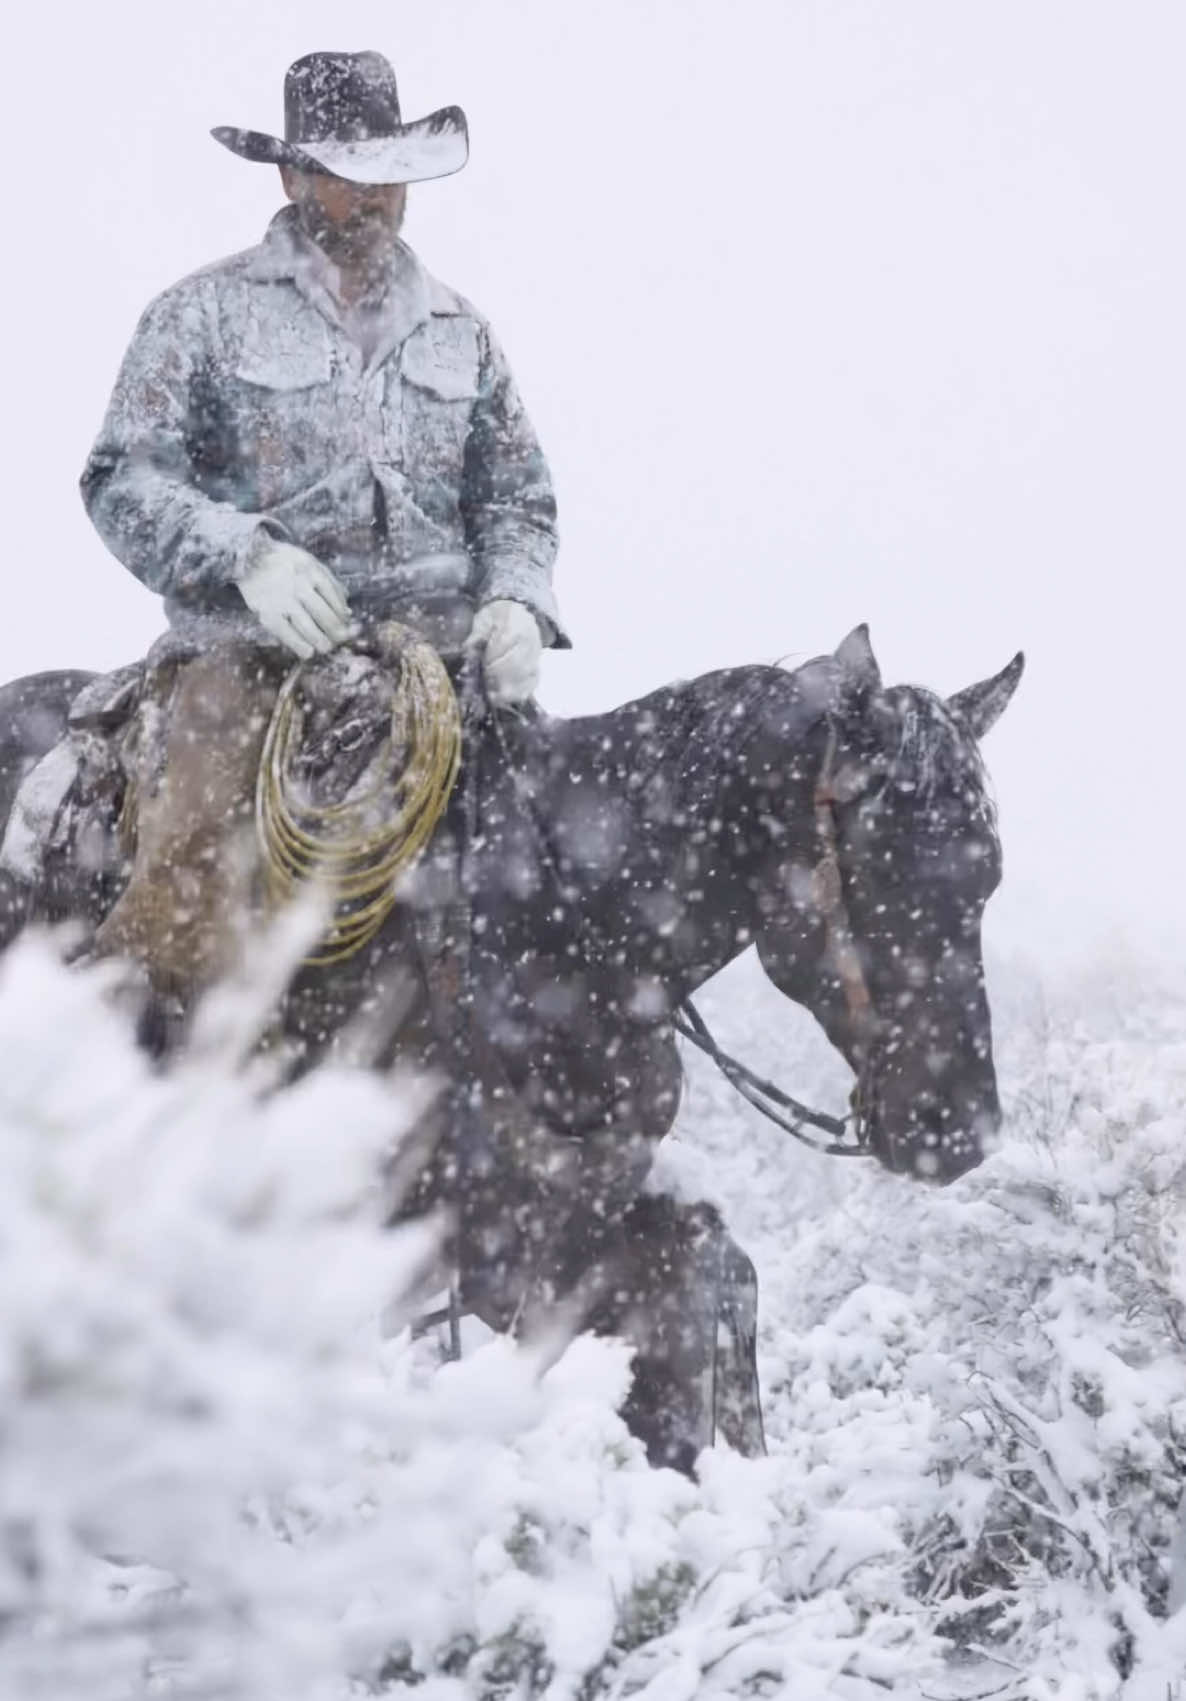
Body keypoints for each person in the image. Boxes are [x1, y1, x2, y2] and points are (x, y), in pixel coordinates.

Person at [81, 48, 567, 699]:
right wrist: (247, 555)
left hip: (443, 671)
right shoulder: (198, 315)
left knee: (549, 791)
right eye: (347, 173)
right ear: (291, 177)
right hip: (245, 665)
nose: (373, 195)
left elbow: (517, 503)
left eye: (388, 172)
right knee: (198, 792)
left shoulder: (463, 334)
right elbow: (122, 479)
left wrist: (518, 601)